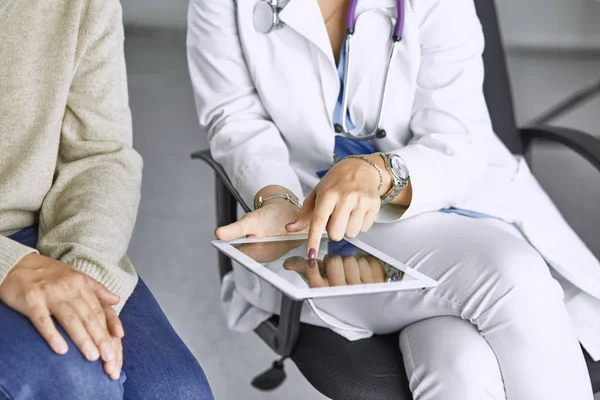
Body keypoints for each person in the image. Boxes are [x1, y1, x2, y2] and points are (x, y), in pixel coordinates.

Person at [187, 0, 600, 398]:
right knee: (515, 278)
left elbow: (458, 135)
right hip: (321, 228)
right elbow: (235, 118)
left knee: (460, 364)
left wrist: (381, 173)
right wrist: (275, 196)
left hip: (461, 195)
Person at [0, 1, 214, 399]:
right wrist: (8, 267)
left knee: (178, 392)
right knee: (75, 383)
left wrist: (84, 274)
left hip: (36, 233)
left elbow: (99, 153)